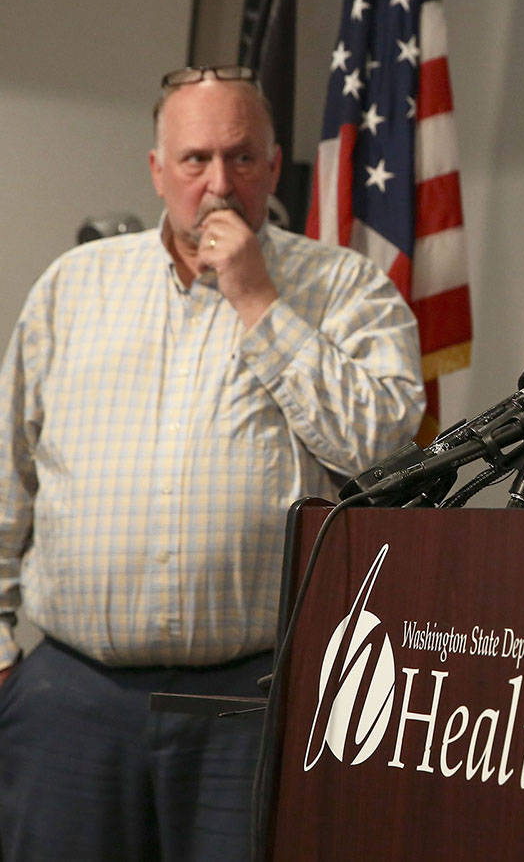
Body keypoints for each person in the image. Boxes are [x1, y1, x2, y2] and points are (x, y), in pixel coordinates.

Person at [0, 66, 425, 859]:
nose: (219, 184)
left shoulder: (347, 288)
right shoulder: (73, 286)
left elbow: (383, 451)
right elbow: (6, 473)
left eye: (241, 158)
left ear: (273, 165)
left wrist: (258, 299)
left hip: (252, 700)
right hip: (71, 699)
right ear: (158, 171)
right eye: (195, 160)